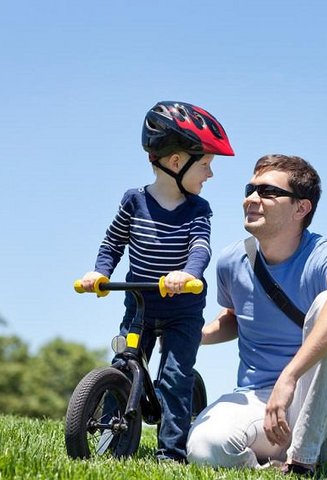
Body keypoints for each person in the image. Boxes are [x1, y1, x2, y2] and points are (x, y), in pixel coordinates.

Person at [187, 154, 327, 476]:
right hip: (259, 403)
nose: (251, 199)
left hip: (326, 412)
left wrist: (289, 377)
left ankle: (304, 459)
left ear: (301, 208)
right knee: (205, 447)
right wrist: (192, 335)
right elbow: (234, 316)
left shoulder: (325, 254)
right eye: (250, 189)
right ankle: (271, 470)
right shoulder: (233, 259)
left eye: (267, 192)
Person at [79, 101, 234, 462]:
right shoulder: (134, 201)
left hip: (182, 308)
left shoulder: (199, 209)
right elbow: (113, 242)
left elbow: (200, 247)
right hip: (140, 304)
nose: (210, 175)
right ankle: (112, 442)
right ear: (176, 162)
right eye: (206, 165)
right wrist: (100, 273)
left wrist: (188, 274)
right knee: (123, 365)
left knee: (175, 379)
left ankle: (171, 453)